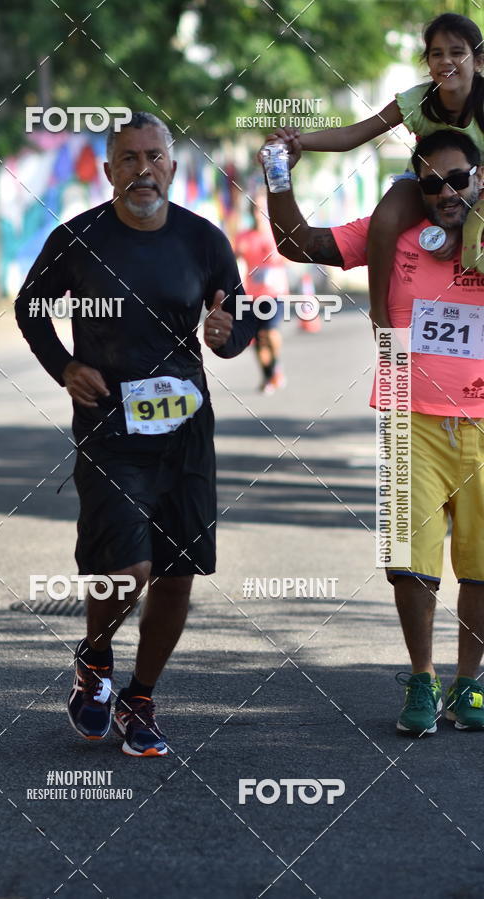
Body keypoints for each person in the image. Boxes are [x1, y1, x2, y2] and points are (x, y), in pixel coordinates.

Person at [15, 111, 256, 757]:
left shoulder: (203, 239)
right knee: (128, 567)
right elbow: (30, 305)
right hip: (109, 428)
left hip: (185, 431)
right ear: (108, 169)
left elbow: (242, 313)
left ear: (172, 168)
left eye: (154, 157)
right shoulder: (80, 237)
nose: (142, 169)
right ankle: (95, 657)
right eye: (128, 158)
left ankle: (140, 696)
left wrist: (231, 334)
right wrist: (64, 365)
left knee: (176, 575)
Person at [262, 126, 484, 736]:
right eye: (432, 181)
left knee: (482, 566)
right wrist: (279, 172)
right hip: (408, 416)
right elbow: (295, 241)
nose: (446, 192)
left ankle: (471, 683)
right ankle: (422, 677)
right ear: (416, 183)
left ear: (478, 180)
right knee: (408, 563)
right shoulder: (393, 233)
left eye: (458, 180)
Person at [273, 13, 484, 333]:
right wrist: (296, 142)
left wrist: (462, 226)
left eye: (457, 52)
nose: (446, 61)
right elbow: (351, 136)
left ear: (478, 60)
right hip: (427, 184)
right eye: (436, 53)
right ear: (426, 62)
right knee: (385, 217)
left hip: (478, 184)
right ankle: (379, 312)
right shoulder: (417, 100)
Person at [235, 202, 288, 393]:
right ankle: (267, 375)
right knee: (257, 338)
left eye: (261, 212)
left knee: (271, 332)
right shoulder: (243, 237)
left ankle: (276, 365)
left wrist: (278, 257)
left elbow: (292, 258)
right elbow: (233, 259)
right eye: (255, 212)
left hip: (275, 293)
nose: (258, 216)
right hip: (253, 295)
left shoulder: (277, 234)